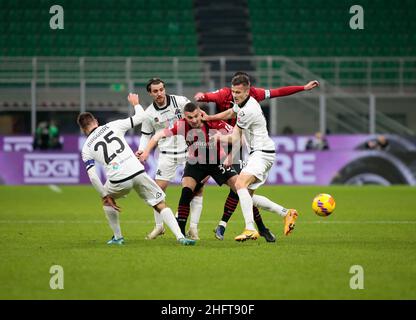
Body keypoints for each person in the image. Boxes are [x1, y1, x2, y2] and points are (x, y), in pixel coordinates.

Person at [140, 102, 291, 242]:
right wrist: (146, 151)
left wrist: (230, 157)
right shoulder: (181, 125)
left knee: (242, 192)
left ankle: (262, 228)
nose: (193, 120)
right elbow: (158, 135)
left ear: (201, 113)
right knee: (186, 191)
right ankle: (181, 234)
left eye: (195, 116)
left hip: (217, 163)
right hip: (195, 163)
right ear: (185, 117)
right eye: (189, 117)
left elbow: (240, 139)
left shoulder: (214, 123)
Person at [194, 72, 315, 240]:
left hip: (262, 153)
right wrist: (210, 118)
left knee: (240, 183)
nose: (234, 96)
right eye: (233, 92)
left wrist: (217, 137)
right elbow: (230, 113)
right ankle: (286, 213)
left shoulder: (248, 110)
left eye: (238, 92)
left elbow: (235, 138)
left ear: (248, 91)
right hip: (259, 153)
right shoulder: (242, 103)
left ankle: (250, 228)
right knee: (246, 195)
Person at [77, 93, 196, 246]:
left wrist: (105, 194)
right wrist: (135, 104)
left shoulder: (86, 147)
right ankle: (180, 237)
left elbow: (93, 177)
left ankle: (118, 237)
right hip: (138, 171)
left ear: (83, 130)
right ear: (96, 121)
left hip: (118, 179)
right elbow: (140, 117)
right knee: (159, 203)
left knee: (107, 202)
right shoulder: (112, 125)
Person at [138, 78, 204, 240]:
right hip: (166, 153)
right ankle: (159, 227)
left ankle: (193, 228)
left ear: (164, 89)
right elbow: (146, 135)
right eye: (155, 91)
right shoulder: (148, 114)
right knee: (157, 192)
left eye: (161, 89)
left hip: (188, 150)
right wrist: (142, 150)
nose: (159, 93)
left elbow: (198, 115)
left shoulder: (180, 101)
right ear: (150, 93)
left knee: (197, 189)